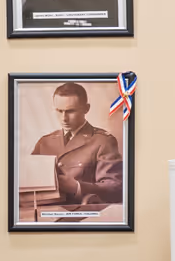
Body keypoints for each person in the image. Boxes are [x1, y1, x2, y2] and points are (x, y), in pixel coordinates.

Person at [28, 82, 122, 214]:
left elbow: (115, 188)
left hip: (84, 216)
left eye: (70, 111)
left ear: (86, 109)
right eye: (59, 111)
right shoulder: (44, 142)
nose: (64, 118)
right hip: (44, 215)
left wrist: (77, 187)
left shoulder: (103, 141)